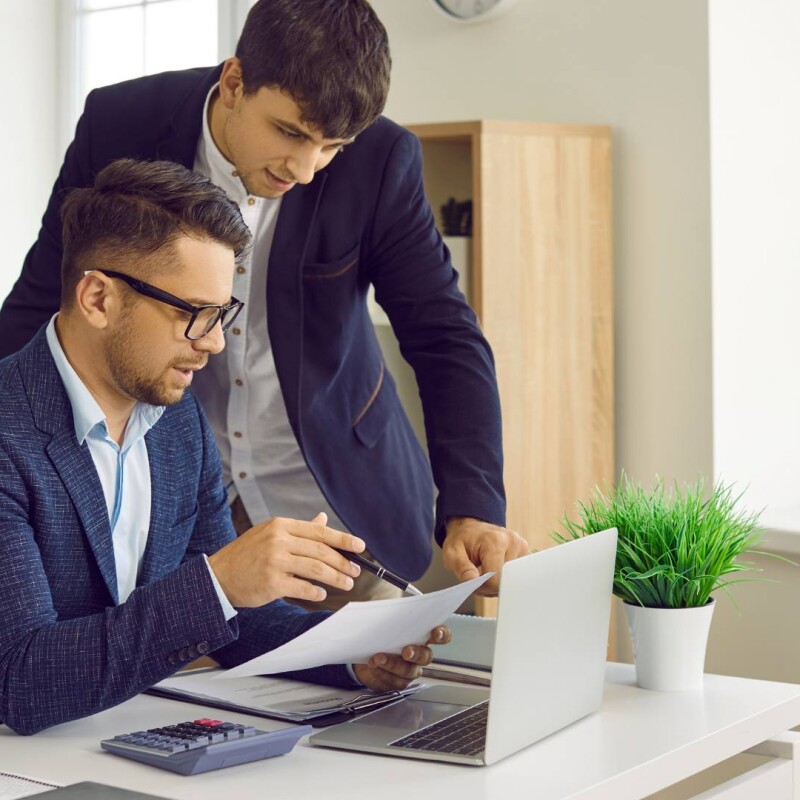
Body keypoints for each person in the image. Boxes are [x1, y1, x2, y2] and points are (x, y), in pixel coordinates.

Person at [0, 0, 529, 608]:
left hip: (338, 515)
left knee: (366, 682)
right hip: (179, 512)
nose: (306, 169)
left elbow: (443, 335)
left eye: (332, 146)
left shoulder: (383, 161)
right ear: (233, 83)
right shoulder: (120, 122)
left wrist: (473, 504)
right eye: (292, 133)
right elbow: (46, 296)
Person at [0, 158, 448, 736]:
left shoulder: (177, 421)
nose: (213, 343)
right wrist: (219, 582)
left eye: (222, 314)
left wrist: (355, 655)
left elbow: (236, 623)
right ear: (98, 299)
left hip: (115, 742)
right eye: (193, 314)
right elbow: (21, 680)